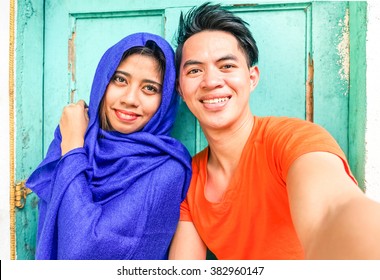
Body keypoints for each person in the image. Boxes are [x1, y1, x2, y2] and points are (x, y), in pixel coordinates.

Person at [169, 2, 380, 260]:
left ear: (252, 78)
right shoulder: (189, 180)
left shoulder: (294, 140)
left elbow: (332, 211)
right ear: (180, 88)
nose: (211, 81)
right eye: (194, 70)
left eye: (227, 66)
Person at [26, 32, 192, 260]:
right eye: (120, 80)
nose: (130, 98)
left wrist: (73, 149)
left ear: (165, 101)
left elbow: (83, 252)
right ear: (103, 82)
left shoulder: (166, 171)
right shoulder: (75, 139)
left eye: (150, 88)